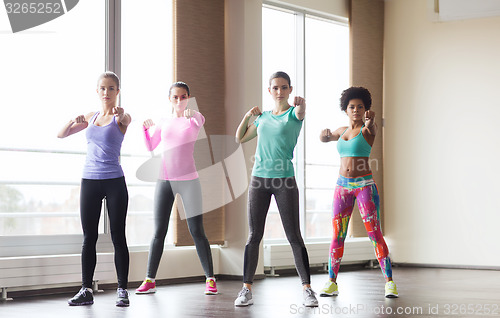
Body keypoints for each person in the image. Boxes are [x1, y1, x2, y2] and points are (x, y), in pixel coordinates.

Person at [234, 71, 318, 307]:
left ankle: (307, 289)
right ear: (269, 90)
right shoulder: (262, 118)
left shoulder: (294, 114)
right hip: (259, 180)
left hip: (284, 181)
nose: (279, 91)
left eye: (283, 87)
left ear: (289, 90)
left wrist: (301, 105)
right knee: (254, 236)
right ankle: (246, 289)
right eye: (275, 88)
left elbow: (301, 113)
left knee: (294, 236)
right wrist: (247, 117)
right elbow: (240, 138)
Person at [135, 82, 217, 295]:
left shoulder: (193, 119)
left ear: (188, 97)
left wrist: (194, 115)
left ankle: (210, 279)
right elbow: (151, 146)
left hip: (190, 181)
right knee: (158, 232)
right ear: (170, 99)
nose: (179, 101)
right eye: (175, 97)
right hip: (165, 181)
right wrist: (145, 129)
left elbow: (201, 121)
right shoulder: (163, 122)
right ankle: (150, 280)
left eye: (183, 97)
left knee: (197, 231)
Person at [57, 71, 132, 307]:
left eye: (111, 88)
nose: (106, 92)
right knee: (89, 237)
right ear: (97, 91)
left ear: (117, 91)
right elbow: (61, 135)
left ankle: (122, 290)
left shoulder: (121, 117)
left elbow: (127, 119)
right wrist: (71, 120)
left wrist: (122, 115)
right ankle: (86, 289)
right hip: (89, 180)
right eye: (102, 88)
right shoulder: (91, 116)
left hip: (114, 181)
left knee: (118, 236)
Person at [318, 86, 398, 298]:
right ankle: (332, 282)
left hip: (364, 187)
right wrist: (323, 135)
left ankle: (389, 282)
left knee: (375, 234)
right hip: (342, 187)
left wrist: (371, 121)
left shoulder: (366, 129)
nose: (356, 110)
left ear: (365, 109)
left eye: (360, 107)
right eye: (352, 107)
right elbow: (325, 138)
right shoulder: (342, 130)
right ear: (345, 109)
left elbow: (372, 128)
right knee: (338, 235)